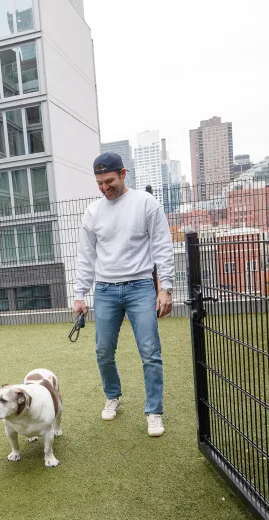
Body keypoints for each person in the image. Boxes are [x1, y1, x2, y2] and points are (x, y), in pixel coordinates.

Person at [73, 152, 175, 437]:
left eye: (109, 181)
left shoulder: (145, 203)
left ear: (123, 174)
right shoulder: (93, 211)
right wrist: (80, 295)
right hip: (105, 290)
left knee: (150, 352)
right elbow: (86, 256)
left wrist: (165, 288)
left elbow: (162, 247)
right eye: (99, 183)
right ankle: (113, 395)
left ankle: (154, 412)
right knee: (103, 351)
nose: (105, 188)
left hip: (140, 287)